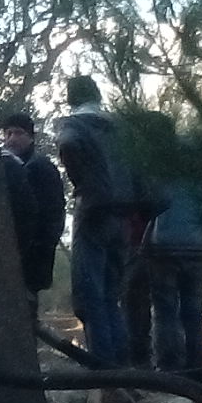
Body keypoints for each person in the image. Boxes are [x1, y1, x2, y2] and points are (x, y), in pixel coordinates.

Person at [47, 74, 134, 366]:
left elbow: (68, 144)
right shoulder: (118, 127)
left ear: (71, 97)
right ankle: (123, 366)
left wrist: (81, 181)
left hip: (93, 211)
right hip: (122, 214)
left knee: (91, 295)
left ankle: (104, 371)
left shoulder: (74, 125)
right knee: (111, 294)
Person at [131, 130, 202, 372]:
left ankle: (169, 366)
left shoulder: (164, 175)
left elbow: (154, 205)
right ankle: (197, 367)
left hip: (164, 246)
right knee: (193, 311)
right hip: (199, 248)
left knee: (165, 310)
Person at [0, 113, 67, 306]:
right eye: (8, 133)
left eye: (18, 133)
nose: (12, 138)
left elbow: (52, 214)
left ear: (30, 137)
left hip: (32, 260)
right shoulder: (7, 167)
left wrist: (37, 249)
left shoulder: (40, 168)